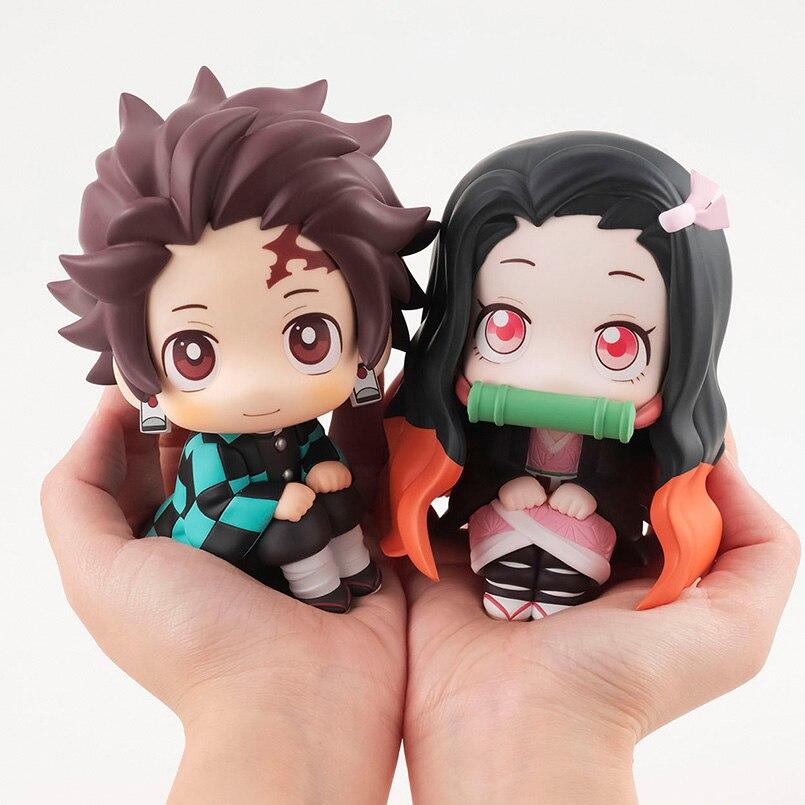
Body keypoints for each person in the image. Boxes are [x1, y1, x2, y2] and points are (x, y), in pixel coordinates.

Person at [41, 388, 798, 802]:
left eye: (307, 337)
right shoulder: (209, 445)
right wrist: (256, 684)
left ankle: (355, 577)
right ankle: (326, 586)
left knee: (342, 510)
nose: (259, 379)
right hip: (252, 529)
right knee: (302, 536)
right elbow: (211, 505)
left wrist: (559, 713)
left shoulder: (614, 433)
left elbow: (322, 453)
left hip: (561, 521)